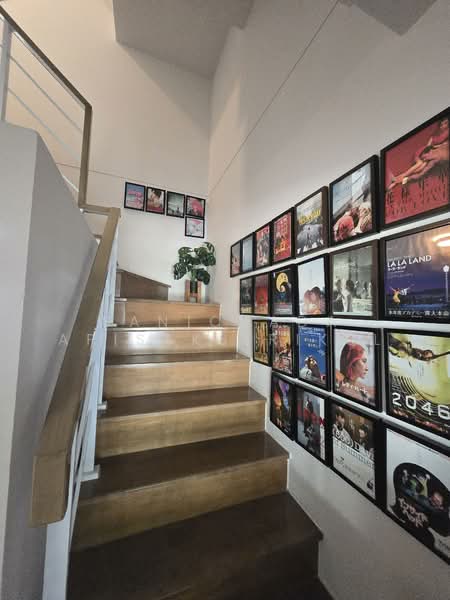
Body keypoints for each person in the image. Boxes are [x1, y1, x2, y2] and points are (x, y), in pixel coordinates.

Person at [388, 117, 449, 190]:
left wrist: (435, 149)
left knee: (421, 167)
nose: (443, 126)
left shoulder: (446, 135)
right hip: (424, 151)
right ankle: (398, 179)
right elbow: (428, 146)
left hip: (432, 153)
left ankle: (397, 180)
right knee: (420, 165)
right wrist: (429, 151)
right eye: (441, 124)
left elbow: (442, 146)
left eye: (445, 123)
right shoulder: (434, 136)